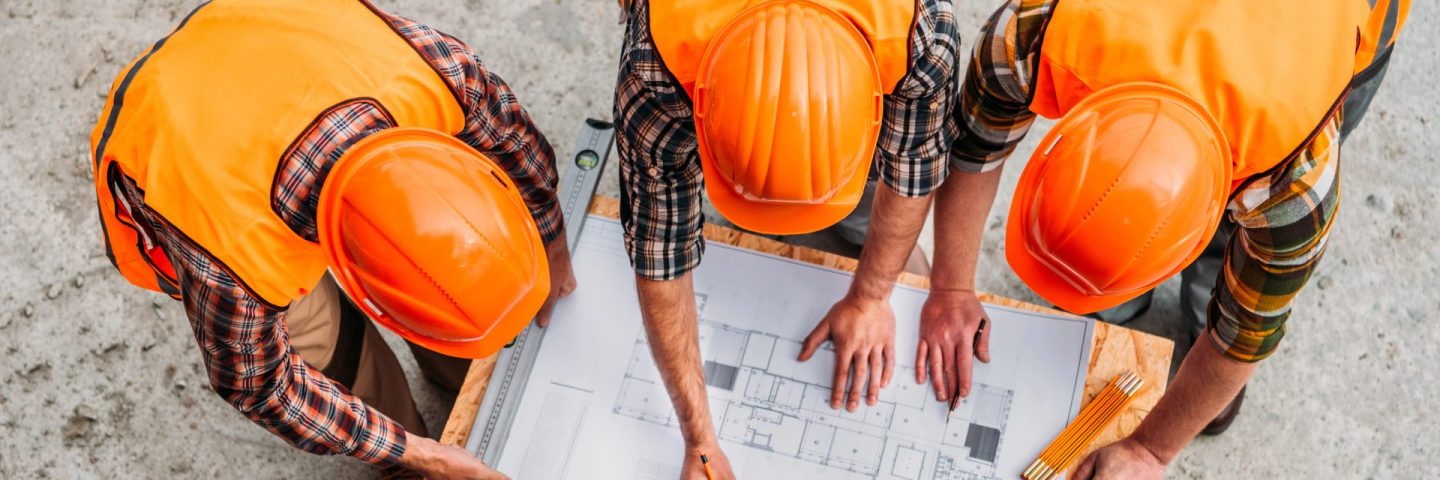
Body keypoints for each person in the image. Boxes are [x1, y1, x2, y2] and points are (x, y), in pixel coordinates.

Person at [89, 1, 575, 478]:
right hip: (179, 123)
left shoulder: (430, 79)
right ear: (369, 292)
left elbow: (509, 135)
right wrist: (418, 455)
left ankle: (461, 378)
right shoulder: (235, 262)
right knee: (323, 344)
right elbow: (261, 386)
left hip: (262, 28)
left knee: (457, 299)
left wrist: (550, 240)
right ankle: (406, 437)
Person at [943, 0, 1409, 477]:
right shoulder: (1039, 35)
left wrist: (1152, 449)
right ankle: (1111, 298)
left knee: (1242, 251)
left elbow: (1244, 334)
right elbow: (974, 146)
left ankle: (1205, 287)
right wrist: (950, 289)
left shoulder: (1295, 183)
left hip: (1333, 29)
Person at [613, 0, 965, 477]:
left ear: (874, 110)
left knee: (862, 217)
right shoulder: (657, 64)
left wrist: (870, 297)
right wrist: (700, 440)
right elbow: (659, 250)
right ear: (701, 108)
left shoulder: (916, 36)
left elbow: (913, 169)